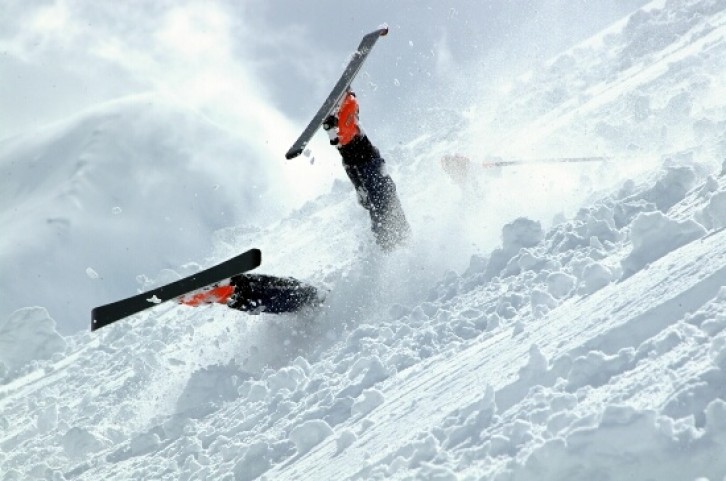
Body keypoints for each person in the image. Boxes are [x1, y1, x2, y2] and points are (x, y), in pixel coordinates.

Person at [324, 91, 410, 251]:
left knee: (368, 185)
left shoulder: (390, 234)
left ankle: (338, 125)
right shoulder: (396, 234)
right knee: (376, 187)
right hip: (368, 166)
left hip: (362, 168)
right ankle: (342, 118)